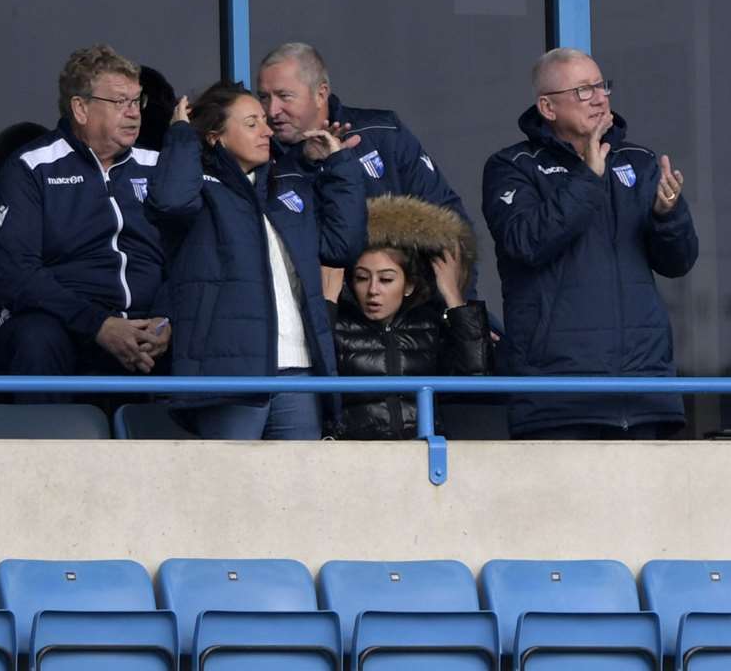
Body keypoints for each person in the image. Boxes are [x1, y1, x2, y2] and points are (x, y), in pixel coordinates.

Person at [482, 47, 698, 439]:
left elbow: (678, 262)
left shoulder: (640, 160)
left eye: (602, 86)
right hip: (558, 399)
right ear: (548, 107)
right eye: (583, 90)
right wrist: (587, 177)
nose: (600, 98)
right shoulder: (512, 167)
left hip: (643, 391)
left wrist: (669, 215)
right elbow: (525, 242)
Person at [149, 80, 366, 439]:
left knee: (297, 491)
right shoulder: (201, 190)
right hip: (231, 375)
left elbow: (342, 246)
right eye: (251, 124)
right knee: (233, 490)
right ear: (215, 136)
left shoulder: (284, 189)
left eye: (264, 121)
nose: (267, 131)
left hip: (299, 369)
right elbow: (170, 201)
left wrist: (339, 165)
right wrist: (182, 135)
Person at [0, 44, 171, 378]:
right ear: (81, 109)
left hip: (148, 325)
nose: (134, 113)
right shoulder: (32, 167)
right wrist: (99, 324)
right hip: (68, 323)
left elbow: (187, 259)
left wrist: (168, 318)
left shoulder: (157, 166)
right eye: (119, 102)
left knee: (208, 334)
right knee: (36, 338)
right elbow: (17, 273)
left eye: (136, 100)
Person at [323, 195, 493, 440]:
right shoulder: (337, 323)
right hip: (353, 461)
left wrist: (455, 297)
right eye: (361, 277)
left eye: (386, 279)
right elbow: (312, 380)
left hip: (421, 460)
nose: (373, 290)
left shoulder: (430, 325)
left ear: (409, 285)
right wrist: (327, 302)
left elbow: (478, 382)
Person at [256, 41, 473, 228]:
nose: (272, 110)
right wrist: (302, 161)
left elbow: (449, 221)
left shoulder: (383, 133)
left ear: (321, 94)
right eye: (264, 97)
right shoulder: (257, 155)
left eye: (284, 96)